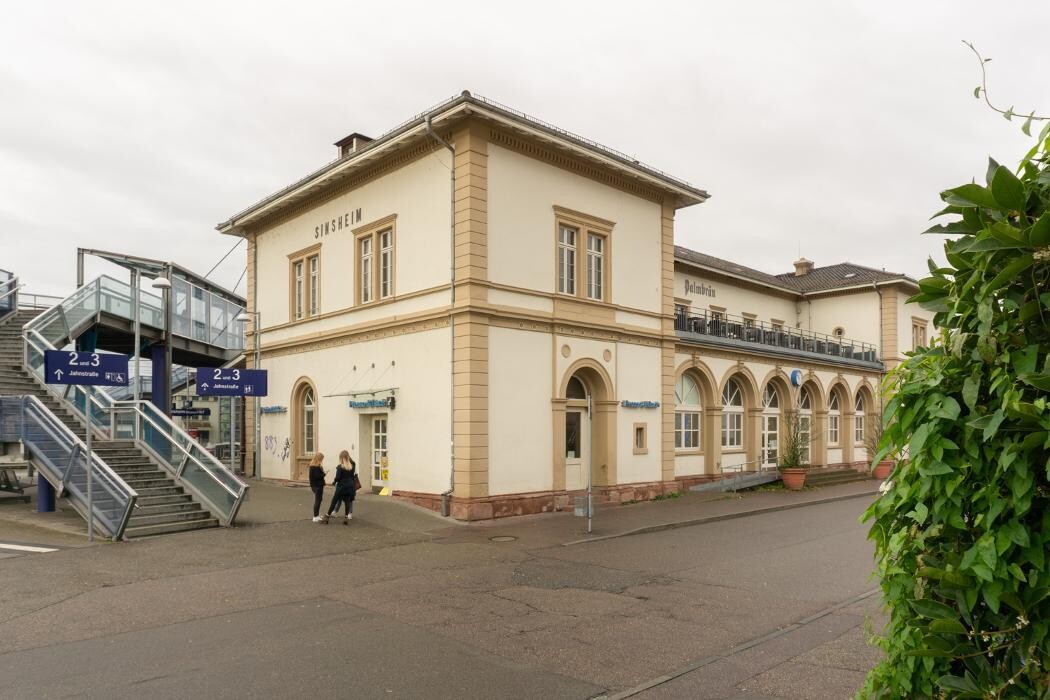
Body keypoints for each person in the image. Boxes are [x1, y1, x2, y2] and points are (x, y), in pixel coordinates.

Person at [324, 450, 358, 524]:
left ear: (341, 458)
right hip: (349, 487)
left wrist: (334, 482)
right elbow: (352, 476)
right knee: (347, 502)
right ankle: (346, 518)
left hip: (341, 487)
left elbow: (337, 478)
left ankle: (327, 517)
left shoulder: (340, 467)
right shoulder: (351, 466)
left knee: (334, 501)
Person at [307, 453, 327, 523]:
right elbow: (318, 477)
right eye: (321, 459)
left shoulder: (313, 466)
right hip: (317, 486)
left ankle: (317, 515)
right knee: (318, 500)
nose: (322, 460)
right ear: (319, 459)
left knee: (319, 500)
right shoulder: (315, 467)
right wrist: (324, 473)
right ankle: (315, 517)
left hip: (315, 486)